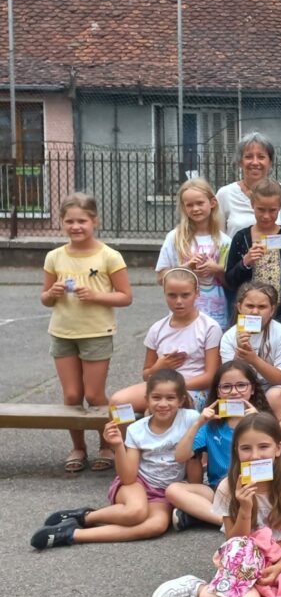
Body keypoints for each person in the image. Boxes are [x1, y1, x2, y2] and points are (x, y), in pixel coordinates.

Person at [149, 412, 281, 597]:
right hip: (243, 561)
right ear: (237, 451)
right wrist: (245, 508)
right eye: (246, 448)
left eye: (264, 447)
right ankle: (198, 589)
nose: (255, 455)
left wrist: (278, 567)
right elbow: (234, 542)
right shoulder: (228, 487)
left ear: (278, 448)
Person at [32, 370, 199, 549]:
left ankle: (72, 533)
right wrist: (119, 445)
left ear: (181, 400)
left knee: (156, 526)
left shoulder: (191, 419)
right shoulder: (137, 429)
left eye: (170, 398)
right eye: (156, 397)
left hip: (166, 491)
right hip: (138, 483)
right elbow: (128, 478)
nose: (163, 404)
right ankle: (86, 516)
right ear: (147, 399)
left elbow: (195, 470)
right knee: (136, 512)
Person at [41, 192, 133, 473]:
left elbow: (125, 297)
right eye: (69, 221)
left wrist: (95, 296)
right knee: (71, 396)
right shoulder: (54, 256)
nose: (76, 226)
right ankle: (78, 447)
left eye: (82, 220)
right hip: (63, 332)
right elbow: (44, 298)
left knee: (94, 395)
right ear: (61, 223)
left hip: (96, 332)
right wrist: (52, 292)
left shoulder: (109, 256)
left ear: (95, 221)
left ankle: (106, 443)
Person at [167, 360, 271, 530]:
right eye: (227, 387)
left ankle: (202, 516)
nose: (234, 392)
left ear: (252, 389)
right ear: (218, 392)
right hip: (219, 490)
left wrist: (258, 421)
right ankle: (224, 522)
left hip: (257, 486)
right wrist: (197, 423)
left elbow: (279, 456)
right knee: (173, 490)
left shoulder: (264, 420)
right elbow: (180, 456)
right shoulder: (211, 424)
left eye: (241, 385)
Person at [111, 268, 222, 413]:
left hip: (193, 389)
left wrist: (174, 386)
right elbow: (146, 374)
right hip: (160, 386)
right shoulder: (157, 329)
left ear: (197, 293)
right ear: (164, 293)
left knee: (168, 406)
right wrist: (159, 366)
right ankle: (129, 435)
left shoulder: (210, 327)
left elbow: (211, 376)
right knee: (118, 404)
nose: (179, 301)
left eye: (185, 295)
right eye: (172, 295)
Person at [223, 178, 281, 325]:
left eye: (272, 210)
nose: (266, 216)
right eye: (261, 209)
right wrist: (245, 263)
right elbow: (230, 281)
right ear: (252, 205)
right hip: (251, 315)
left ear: (280, 207)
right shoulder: (242, 238)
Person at [156, 177, 230, 327]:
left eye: (200, 203)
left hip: (217, 314)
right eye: (189, 205)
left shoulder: (224, 241)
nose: (195, 209)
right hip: (183, 316)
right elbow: (160, 278)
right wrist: (186, 269)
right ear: (184, 208)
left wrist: (216, 270)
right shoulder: (174, 238)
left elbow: (231, 283)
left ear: (212, 203)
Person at [219, 282, 281, 419]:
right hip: (243, 388)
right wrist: (239, 357)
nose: (255, 312)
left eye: (262, 307)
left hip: (277, 387)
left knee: (274, 396)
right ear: (239, 307)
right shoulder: (229, 336)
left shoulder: (280, 331)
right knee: (232, 397)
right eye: (250, 306)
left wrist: (253, 360)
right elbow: (228, 380)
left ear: (272, 310)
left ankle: (276, 436)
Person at [216, 132, 281, 237]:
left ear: (270, 162)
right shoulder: (225, 194)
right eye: (249, 157)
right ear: (240, 161)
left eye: (261, 157)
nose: (255, 162)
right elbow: (218, 236)